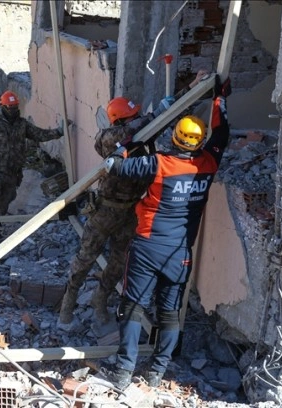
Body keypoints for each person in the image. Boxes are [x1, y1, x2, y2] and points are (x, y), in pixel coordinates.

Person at [97, 75, 232, 390]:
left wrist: (130, 142)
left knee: (132, 306)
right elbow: (222, 133)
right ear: (198, 144)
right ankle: (157, 372)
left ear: (175, 138)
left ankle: (122, 372)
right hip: (180, 253)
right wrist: (219, 99)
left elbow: (112, 165)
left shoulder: (158, 165)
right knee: (169, 312)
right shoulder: (208, 164)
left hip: (147, 248)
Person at [59, 70, 209, 329]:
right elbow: (141, 126)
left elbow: (165, 117)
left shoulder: (140, 135)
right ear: (120, 121)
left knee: (118, 262)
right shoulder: (109, 137)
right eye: (133, 115)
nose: (139, 117)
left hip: (130, 211)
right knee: (86, 258)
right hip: (105, 210)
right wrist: (155, 114)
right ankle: (67, 304)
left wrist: (193, 87)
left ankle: (100, 299)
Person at [0, 90, 66, 242]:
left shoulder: (21, 124)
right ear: (2, 106)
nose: (13, 110)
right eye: (9, 107)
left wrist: (59, 132)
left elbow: (38, 134)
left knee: (4, 202)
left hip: (12, 172)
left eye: (15, 107)